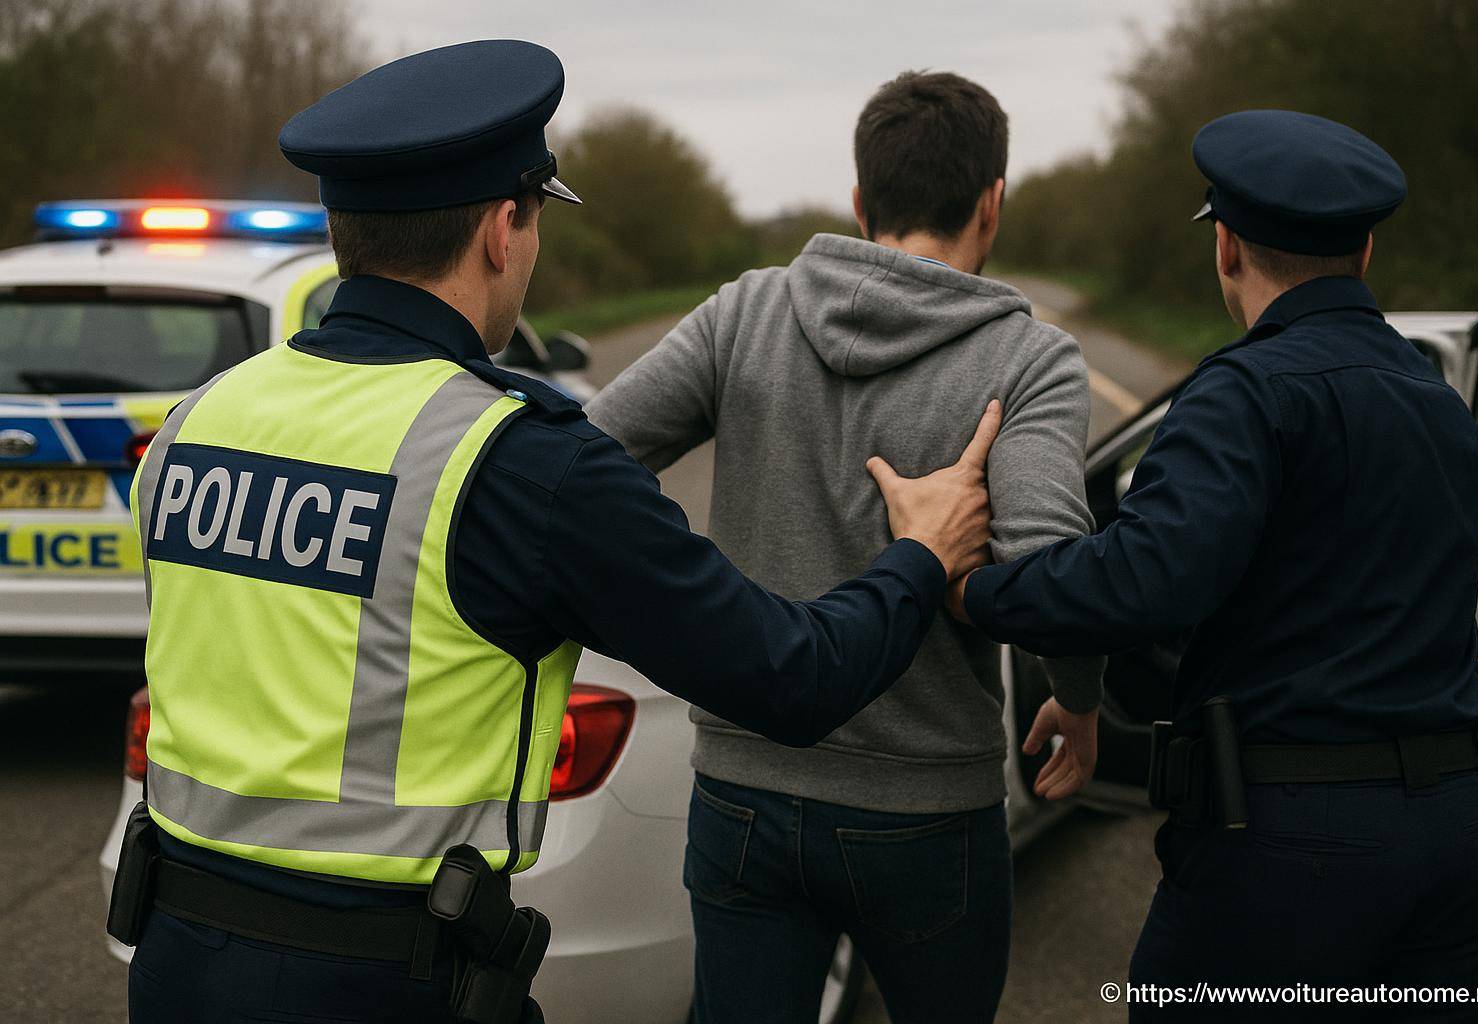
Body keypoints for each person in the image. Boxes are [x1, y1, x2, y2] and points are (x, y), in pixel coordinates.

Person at [110, 41, 999, 1024]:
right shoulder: (522, 463)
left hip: (175, 966)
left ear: (341, 230)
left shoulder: (197, 419)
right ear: (502, 229)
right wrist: (921, 553)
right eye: (534, 224)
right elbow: (791, 676)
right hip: (384, 984)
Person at [872, 109, 1478, 1020]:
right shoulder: (1439, 405)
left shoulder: (1244, 394)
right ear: (1366, 251)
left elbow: (1143, 581)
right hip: (1464, 838)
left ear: (1226, 249)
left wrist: (969, 585)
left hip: (1295, 854)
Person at [586, 70, 1104, 1024]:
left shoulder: (744, 313)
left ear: (862, 200)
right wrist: (1077, 697)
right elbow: (1050, 580)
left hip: (741, 791)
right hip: (928, 812)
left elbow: (585, 459)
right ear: (993, 203)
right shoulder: (1027, 360)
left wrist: (682, 584)